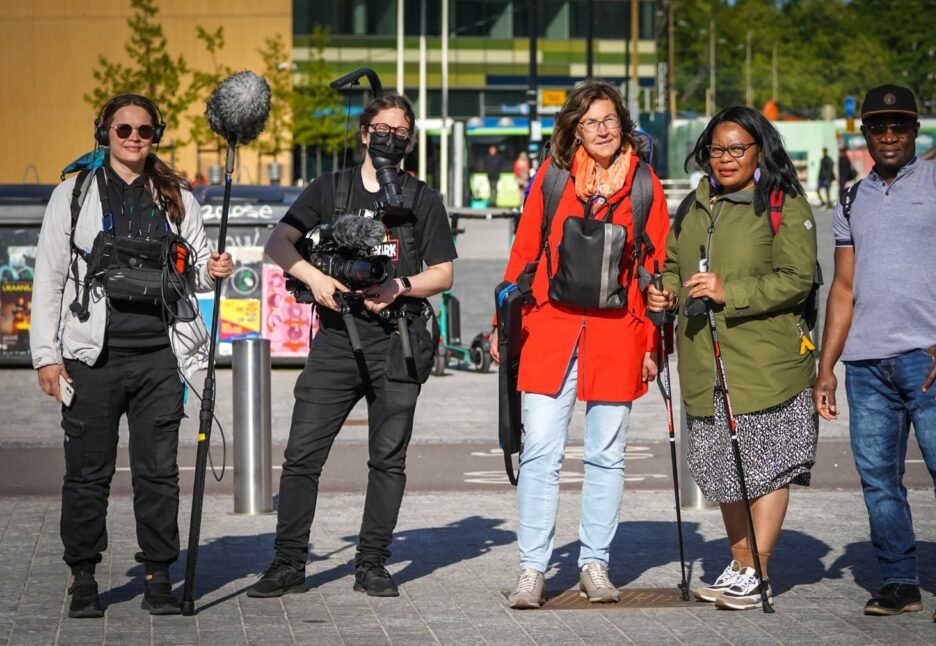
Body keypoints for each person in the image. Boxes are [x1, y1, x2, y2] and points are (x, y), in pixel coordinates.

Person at [30, 94, 233, 618]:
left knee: (158, 472)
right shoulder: (72, 194)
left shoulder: (178, 196)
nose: (134, 137)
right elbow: (49, 278)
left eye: (144, 129)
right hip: (91, 358)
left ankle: (159, 576)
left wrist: (212, 272)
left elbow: (193, 273)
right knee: (87, 473)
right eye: (123, 129)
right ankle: (83, 577)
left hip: (161, 358)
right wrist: (45, 357)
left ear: (156, 134)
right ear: (104, 132)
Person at [248, 95, 456, 599]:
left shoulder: (422, 198)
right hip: (337, 339)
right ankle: (288, 563)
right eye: (381, 128)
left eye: (400, 130)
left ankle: (372, 563)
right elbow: (277, 244)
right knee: (301, 456)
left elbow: (444, 273)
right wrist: (313, 277)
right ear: (364, 133)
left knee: (388, 461)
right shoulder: (330, 188)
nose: (390, 137)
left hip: (399, 340)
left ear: (409, 139)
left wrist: (400, 287)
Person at [490, 80, 669, 609]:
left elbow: (657, 270)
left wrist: (656, 343)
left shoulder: (645, 184)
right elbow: (523, 253)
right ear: (574, 128)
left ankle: (595, 563)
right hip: (550, 328)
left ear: (624, 123)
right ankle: (532, 568)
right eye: (591, 122)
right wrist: (504, 325)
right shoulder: (553, 177)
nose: (603, 130)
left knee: (607, 455)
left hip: (620, 332)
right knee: (541, 449)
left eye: (611, 119)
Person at [814, 84, 936, 623]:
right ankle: (898, 581)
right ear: (863, 133)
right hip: (866, 365)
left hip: (932, 360)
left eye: (900, 126)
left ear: (915, 131)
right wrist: (826, 367)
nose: (889, 136)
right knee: (879, 479)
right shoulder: (850, 197)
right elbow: (843, 288)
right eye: (879, 127)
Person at [648, 106, 819, 610]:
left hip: (766, 363)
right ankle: (740, 563)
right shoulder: (696, 204)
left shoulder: (784, 204)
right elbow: (673, 266)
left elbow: (797, 278)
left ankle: (758, 570)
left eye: (737, 149)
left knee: (764, 464)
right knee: (721, 465)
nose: (726, 159)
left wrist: (730, 292)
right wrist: (667, 293)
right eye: (717, 150)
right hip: (706, 360)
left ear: (759, 151)